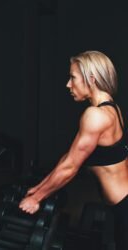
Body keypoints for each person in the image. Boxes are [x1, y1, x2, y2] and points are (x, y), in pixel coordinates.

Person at [19, 50, 128, 249]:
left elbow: (71, 167)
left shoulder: (95, 115)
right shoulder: (112, 108)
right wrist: (40, 188)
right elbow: (69, 157)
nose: (68, 84)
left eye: (73, 77)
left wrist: (36, 199)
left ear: (92, 79)